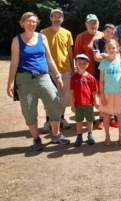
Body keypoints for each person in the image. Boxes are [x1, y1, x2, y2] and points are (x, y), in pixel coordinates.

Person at [7, 12, 70, 151]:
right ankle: (36, 138)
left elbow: (49, 58)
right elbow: (14, 63)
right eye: (29, 21)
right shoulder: (17, 40)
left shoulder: (42, 38)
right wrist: (10, 83)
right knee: (29, 110)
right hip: (24, 79)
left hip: (44, 76)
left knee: (54, 104)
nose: (31, 24)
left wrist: (58, 75)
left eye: (34, 22)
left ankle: (56, 134)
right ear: (22, 23)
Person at [40, 9, 74, 133]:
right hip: (47, 71)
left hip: (65, 69)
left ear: (62, 19)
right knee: (49, 96)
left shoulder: (67, 33)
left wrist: (72, 67)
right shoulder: (43, 33)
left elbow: (70, 52)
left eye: (59, 17)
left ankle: (61, 118)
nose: (56, 18)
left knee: (63, 97)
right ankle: (48, 120)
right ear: (50, 18)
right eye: (54, 16)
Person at [74, 14, 103, 129]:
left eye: (95, 22)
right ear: (86, 24)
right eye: (90, 22)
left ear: (98, 23)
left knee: (101, 95)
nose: (93, 24)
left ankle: (102, 118)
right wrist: (77, 72)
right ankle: (89, 118)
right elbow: (77, 56)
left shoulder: (102, 35)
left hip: (101, 73)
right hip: (86, 73)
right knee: (88, 96)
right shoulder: (80, 37)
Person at [98, 39, 121, 146]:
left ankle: (120, 135)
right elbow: (101, 80)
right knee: (106, 115)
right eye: (109, 48)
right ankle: (107, 136)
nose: (111, 50)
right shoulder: (103, 63)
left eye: (113, 48)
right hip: (107, 94)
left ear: (117, 48)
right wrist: (102, 96)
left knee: (120, 114)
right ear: (106, 49)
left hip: (119, 93)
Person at [93, 24, 118, 129]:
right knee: (102, 96)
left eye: (112, 33)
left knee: (111, 96)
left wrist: (105, 55)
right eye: (107, 32)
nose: (109, 34)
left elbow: (117, 59)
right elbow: (96, 57)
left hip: (112, 75)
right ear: (103, 31)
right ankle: (102, 119)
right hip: (100, 74)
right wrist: (109, 57)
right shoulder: (97, 42)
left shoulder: (114, 43)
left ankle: (111, 118)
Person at [70, 54, 98, 147]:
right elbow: (71, 92)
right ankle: (79, 136)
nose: (82, 65)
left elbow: (94, 91)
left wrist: (96, 101)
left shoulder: (91, 78)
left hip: (89, 104)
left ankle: (90, 134)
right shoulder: (73, 78)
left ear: (87, 64)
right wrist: (72, 105)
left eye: (84, 63)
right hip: (78, 104)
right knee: (79, 121)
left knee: (90, 120)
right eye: (79, 63)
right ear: (76, 64)